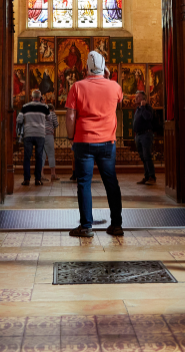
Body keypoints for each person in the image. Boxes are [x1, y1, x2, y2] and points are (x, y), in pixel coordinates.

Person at [66, 51, 124, 237]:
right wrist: (106, 78)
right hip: (108, 142)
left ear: (86, 68)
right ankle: (116, 225)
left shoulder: (77, 87)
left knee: (84, 183)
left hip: (84, 141)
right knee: (111, 182)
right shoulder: (114, 86)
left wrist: (70, 137)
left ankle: (86, 226)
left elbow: (71, 115)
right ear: (104, 67)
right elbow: (119, 102)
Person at [17, 90, 50, 186]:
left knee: (27, 157)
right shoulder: (44, 107)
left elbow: (19, 119)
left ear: (31, 97)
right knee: (39, 157)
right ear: (40, 98)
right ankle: (38, 179)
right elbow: (49, 118)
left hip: (28, 134)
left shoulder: (25, 107)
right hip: (40, 134)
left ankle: (26, 179)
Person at [132, 91, 157, 185]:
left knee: (147, 156)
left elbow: (148, 117)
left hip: (146, 135)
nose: (136, 98)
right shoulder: (138, 109)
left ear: (143, 99)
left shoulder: (147, 108)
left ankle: (152, 177)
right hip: (139, 135)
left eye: (138, 97)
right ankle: (147, 176)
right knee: (143, 157)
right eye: (136, 96)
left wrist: (143, 107)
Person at [39, 101, 60, 182]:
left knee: (42, 156)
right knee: (51, 154)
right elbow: (56, 124)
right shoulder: (52, 114)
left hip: (41, 135)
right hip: (49, 135)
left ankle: (41, 174)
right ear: (53, 109)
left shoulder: (42, 114)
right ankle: (53, 174)